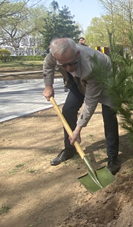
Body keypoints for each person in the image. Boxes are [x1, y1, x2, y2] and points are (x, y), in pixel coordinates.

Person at [42, 38, 121, 174]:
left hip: (107, 80)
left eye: (71, 64)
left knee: (109, 115)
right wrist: (48, 86)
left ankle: (113, 158)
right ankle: (69, 149)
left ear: (77, 54)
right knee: (67, 110)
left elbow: (90, 101)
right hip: (80, 80)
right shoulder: (55, 54)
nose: (67, 68)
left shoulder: (92, 64)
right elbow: (48, 65)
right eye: (63, 65)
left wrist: (78, 129)